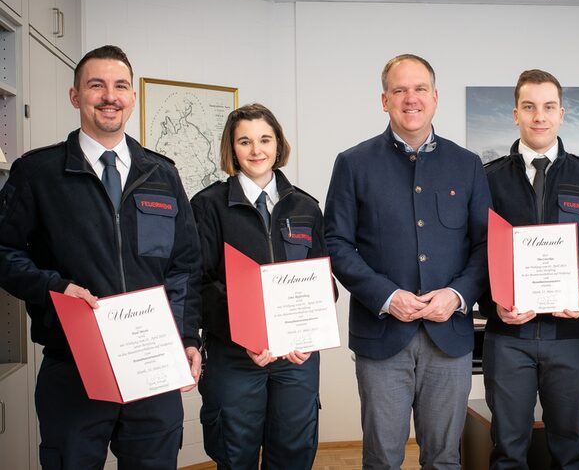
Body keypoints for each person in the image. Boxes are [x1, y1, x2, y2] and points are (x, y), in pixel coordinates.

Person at [0, 45, 202, 469]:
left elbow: (184, 266)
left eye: (120, 86)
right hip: (73, 366)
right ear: (76, 96)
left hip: (152, 365)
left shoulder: (161, 173)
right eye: (96, 85)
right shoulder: (38, 173)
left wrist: (186, 337)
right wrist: (54, 287)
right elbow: (3, 251)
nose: (109, 96)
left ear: (132, 98)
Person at [324, 54, 491, 469]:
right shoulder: (353, 163)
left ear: (435, 98)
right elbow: (337, 243)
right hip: (381, 336)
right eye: (400, 90)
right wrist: (387, 295)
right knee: (381, 459)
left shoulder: (467, 165)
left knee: (444, 459)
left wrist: (457, 295)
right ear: (384, 100)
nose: (410, 98)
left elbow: (486, 245)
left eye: (419, 89)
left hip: (448, 336)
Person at [479, 69, 579, 469]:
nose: (539, 116)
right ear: (515, 113)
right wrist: (495, 301)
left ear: (562, 113)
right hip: (508, 335)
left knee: (570, 447)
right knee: (507, 448)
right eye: (529, 107)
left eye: (548, 107)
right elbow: (475, 252)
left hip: (569, 334)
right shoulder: (487, 179)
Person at [191, 103, 329, 469]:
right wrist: (246, 335)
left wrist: (308, 334)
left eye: (265, 139)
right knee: (235, 456)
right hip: (234, 357)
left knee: (293, 455)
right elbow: (199, 284)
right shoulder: (208, 207)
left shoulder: (306, 207)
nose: (257, 150)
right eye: (245, 141)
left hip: (295, 360)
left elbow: (323, 283)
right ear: (231, 149)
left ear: (278, 144)